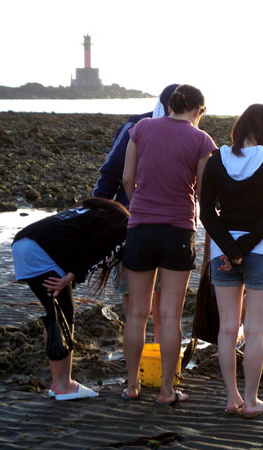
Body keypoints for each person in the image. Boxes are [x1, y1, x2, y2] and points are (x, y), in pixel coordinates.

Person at [121, 84, 216, 403]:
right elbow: (203, 194)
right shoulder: (202, 140)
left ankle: (132, 385)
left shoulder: (141, 128)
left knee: (137, 313)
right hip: (178, 230)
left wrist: (139, 207)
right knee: (171, 315)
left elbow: (126, 179)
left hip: (141, 228)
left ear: (170, 104)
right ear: (198, 111)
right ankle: (165, 390)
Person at [199, 103, 263, 418]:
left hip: (223, 250)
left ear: (241, 126)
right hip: (260, 249)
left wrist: (230, 250)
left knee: (227, 329)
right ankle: (252, 401)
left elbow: (206, 213)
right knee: (254, 331)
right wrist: (243, 250)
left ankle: (232, 398)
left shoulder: (215, 162)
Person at [11, 198, 129, 400]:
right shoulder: (121, 224)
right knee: (64, 316)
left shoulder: (96, 211)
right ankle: (64, 384)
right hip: (39, 251)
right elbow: (93, 248)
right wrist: (71, 276)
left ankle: (58, 383)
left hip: (24, 241)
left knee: (56, 313)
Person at [93, 83, 179, 341]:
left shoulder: (188, 133)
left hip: (168, 225)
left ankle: (157, 350)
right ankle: (139, 354)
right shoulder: (134, 130)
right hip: (132, 222)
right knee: (134, 294)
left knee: (162, 295)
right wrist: (98, 216)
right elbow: (111, 175)